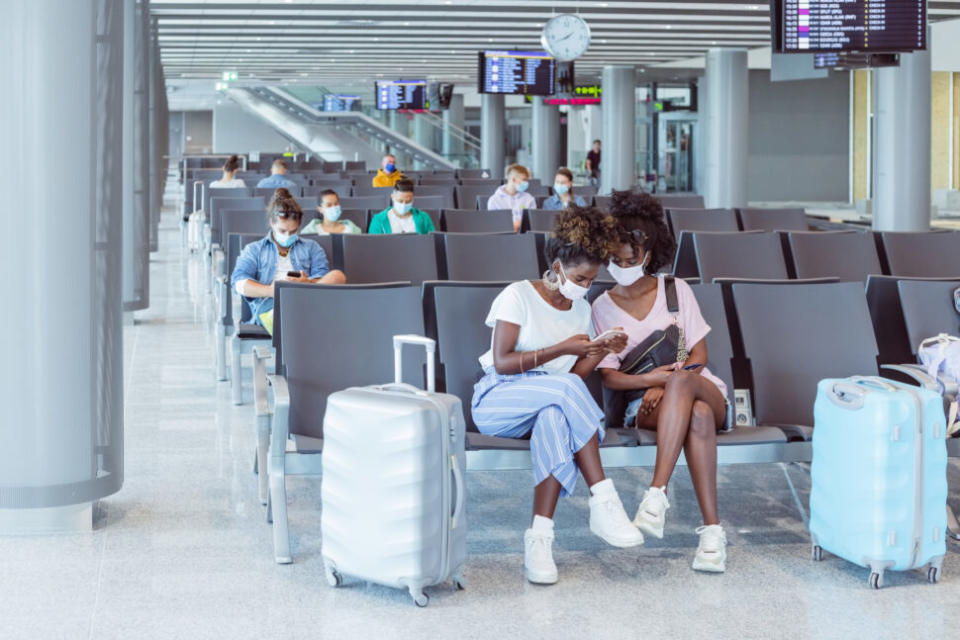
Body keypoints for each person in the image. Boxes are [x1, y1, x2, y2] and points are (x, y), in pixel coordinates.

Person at [471, 206, 643, 586]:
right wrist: (563, 348)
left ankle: (540, 540)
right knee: (560, 393)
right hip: (500, 399)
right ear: (558, 266)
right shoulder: (518, 295)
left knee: (553, 415)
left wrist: (594, 352)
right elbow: (501, 362)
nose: (585, 286)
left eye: (592, 280)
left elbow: (573, 380)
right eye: (581, 278)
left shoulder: (581, 310)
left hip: (550, 400)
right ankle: (602, 497)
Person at [591, 190, 728, 573]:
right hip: (646, 404)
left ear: (649, 254)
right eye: (614, 259)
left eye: (630, 259)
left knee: (685, 385)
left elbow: (696, 357)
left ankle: (656, 495)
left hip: (701, 385)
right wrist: (652, 380)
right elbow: (610, 377)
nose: (622, 265)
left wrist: (666, 383)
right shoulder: (601, 307)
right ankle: (713, 535)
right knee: (696, 417)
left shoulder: (675, 290)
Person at [231, 188, 346, 327]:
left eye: (292, 231)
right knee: (291, 316)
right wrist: (272, 291)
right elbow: (238, 283)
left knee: (338, 275)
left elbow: (322, 277)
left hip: (306, 298)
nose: (287, 235)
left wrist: (308, 283)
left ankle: (306, 321)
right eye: (282, 231)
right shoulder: (254, 249)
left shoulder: (312, 247)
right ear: (272, 223)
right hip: (270, 306)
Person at [368, 179, 436, 234]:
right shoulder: (379, 220)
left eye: (408, 202)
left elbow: (432, 241)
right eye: (400, 201)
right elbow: (373, 246)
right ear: (392, 197)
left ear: (413, 199)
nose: (404, 205)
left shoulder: (424, 218)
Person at [486, 164, 536, 232]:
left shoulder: (529, 199)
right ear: (513, 180)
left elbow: (533, 222)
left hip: (524, 236)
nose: (526, 183)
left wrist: (518, 225)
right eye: (524, 180)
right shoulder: (494, 200)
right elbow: (494, 225)